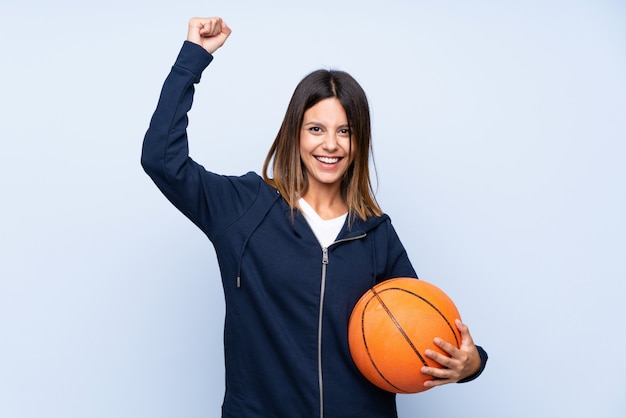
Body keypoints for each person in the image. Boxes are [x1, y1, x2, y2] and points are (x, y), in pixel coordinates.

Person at [141, 17, 488, 418]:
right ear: (296, 133)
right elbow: (161, 159)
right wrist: (193, 58)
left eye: (345, 131)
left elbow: (419, 328)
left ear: (359, 141)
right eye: (317, 128)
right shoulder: (243, 208)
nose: (330, 144)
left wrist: (472, 363)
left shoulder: (375, 233)